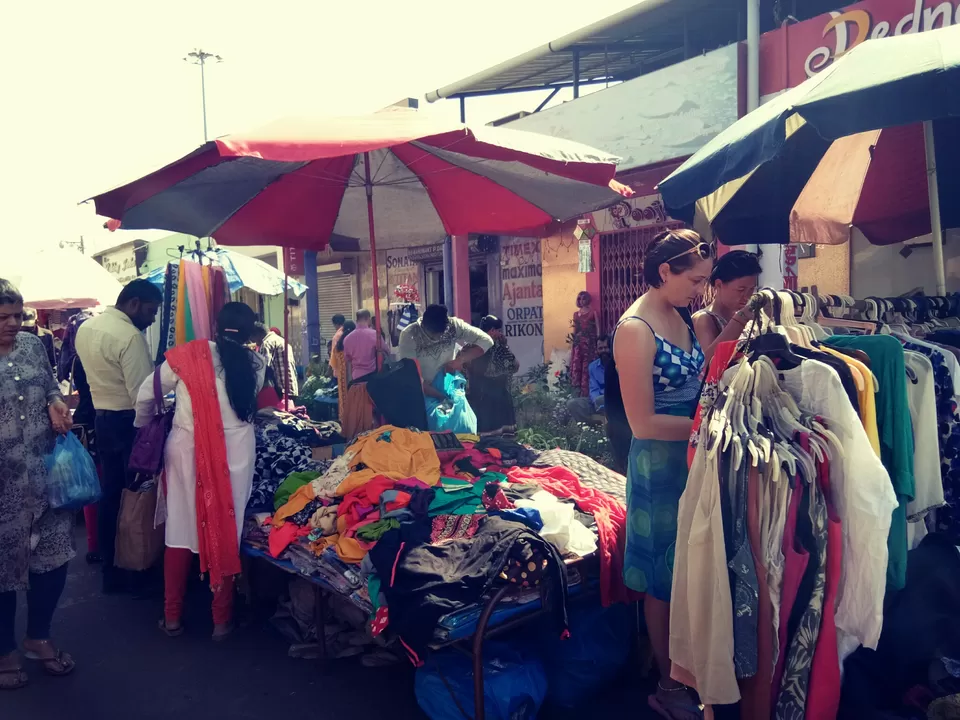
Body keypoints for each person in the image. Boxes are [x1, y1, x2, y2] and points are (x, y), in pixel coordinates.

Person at [605, 229, 711, 719]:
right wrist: (708, 427)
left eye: (705, 281)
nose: (700, 290)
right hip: (660, 465)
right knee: (662, 577)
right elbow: (642, 423)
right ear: (665, 271)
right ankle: (668, 686)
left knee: (690, 568)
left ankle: (689, 671)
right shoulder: (635, 329)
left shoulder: (680, 314)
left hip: (692, 457)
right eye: (695, 280)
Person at [141, 303, 265, 640]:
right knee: (226, 527)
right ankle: (221, 621)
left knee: (180, 529)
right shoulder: (256, 362)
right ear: (250, 331)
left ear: (215, 324)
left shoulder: (187, 355)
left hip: (186, 451)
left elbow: (145, 395)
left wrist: (145, 426)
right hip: (236, 454)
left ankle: (172, 618)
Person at [0, 278, 76, 689]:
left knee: (52, 557)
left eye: (17, 315)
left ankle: (38, 636)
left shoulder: (31, 346)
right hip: (3, 486)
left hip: (44, 476)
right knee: (2, 567)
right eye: (3, 317)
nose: (13, 324)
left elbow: (49, 387)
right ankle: (3, 651)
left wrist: (56, 403)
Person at [75, 278, 160, 593]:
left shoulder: (87, 328)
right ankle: (134, 574)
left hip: (103, 419)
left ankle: (110, 570)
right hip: (129, 424)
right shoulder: (130, 337)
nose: (152, 318)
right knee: (135, 498)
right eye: (150, 311)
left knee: (111, 495)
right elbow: (142, 396)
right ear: (134, 303)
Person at [397, 304, 493, 402]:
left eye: (441, 335)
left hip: (449, 386)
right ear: (424, 325)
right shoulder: (410, 334)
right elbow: (411, 375)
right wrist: (440, 397)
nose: (437, 338)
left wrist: (460, 360)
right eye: (433, 334)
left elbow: (486, 341)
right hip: (421, 392)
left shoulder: (454, 326)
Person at [692, 249, 761, 365]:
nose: (747, 296)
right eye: (741, 290)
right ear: (719, 284)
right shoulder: (704, 319)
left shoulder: (744, 317)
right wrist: (740, 320)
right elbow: (706, 365)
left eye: (751, 289)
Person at [465, 315, 519, 436]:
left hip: (481, 395)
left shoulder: (471, 346)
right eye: (498, 330)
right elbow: (514, 366)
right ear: (492, 330)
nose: (500, 334)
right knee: (493, 432)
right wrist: (505, 347)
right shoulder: (497, 348)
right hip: (492, 395)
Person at [339, 312, 380, 439]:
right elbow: (386, 352)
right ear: (368, 319)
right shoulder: (375, 335)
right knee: (372, 421)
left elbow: (348, 361)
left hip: (355, 384)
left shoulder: (347, 339)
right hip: (372, 385)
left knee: (355, 420)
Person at [566, 334, 611, 423]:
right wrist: (596, 403)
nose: (603, 351)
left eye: (606, 348)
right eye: (600, 348)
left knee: (601, 400)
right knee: (572, 404)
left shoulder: (617, 365)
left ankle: (605, 422)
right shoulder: (593, 367)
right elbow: (594, 389)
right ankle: (593, 425)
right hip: (597, 402)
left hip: (613, 401)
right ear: (596, 350)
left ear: (611, 348)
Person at [252, 323, 299, 399]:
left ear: (258, 334)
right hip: (292, 388)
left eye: (253, 338)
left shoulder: (266, 343)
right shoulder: (282, 341)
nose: (254, 342)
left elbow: (263, 369)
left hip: (280, 391)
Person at [331, 321, 356, 430]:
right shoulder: (353, 342)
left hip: (341, 378)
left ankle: (343, 421)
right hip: (353, 376)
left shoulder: (338, 345)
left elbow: (333, 363)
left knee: (343, 400)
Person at [21, 308, 57, 373]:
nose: (26, 330)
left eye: (29, 327)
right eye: (24, 327)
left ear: (36, 321)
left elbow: (51, 360)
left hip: (41, 372)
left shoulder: (47, 335)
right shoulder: (14, 335)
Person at [327, 314, 346, 378]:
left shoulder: (337, 336)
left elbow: (334, 353)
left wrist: (329, 370)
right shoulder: (348, 333)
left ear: (336, 324)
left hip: (339, 370)